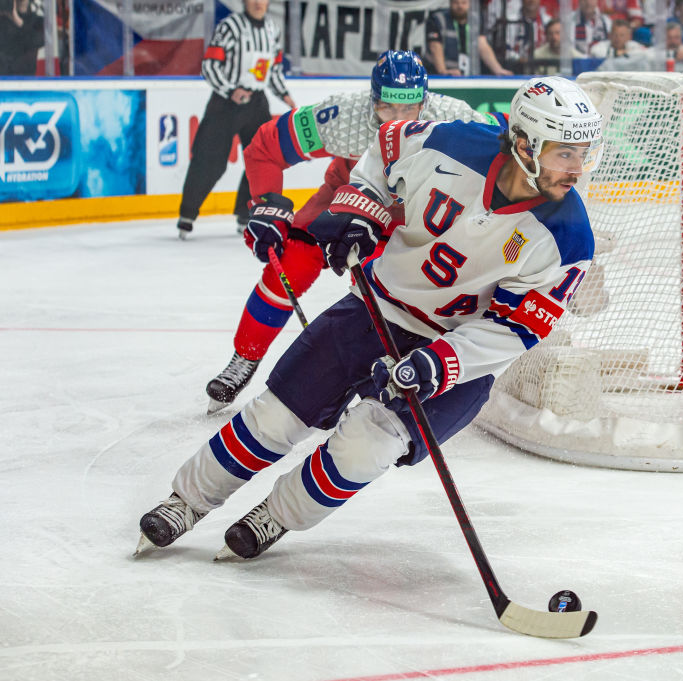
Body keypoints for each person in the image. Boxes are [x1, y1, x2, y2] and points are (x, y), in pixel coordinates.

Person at [136, 76, 602, 560]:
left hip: (455, 354)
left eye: (583, 153)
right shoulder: (451, 142)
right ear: (525, 143)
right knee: (276, 415)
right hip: (376, 307)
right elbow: (383, 151)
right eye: (565, 153)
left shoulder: (569, 239)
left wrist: (434, 364)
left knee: (366, 446)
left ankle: (275, 516)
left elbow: (515, 330)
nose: (577, 168)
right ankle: (185, 501)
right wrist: (361, 209)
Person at [204, 51, 496, 414]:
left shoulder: (454, 119)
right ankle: (244, 357)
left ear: (425, 100)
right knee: (290, 264)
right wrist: (266, 202)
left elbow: (507, 149)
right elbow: (266, 145)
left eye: (410, 109)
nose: (399, 121)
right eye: (388, 109)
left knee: (385, 294)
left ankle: (382, 376)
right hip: (345, 197)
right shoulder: (343, 117)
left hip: (406, 217)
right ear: (373, 101)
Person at [176, 0, 295, 240]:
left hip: (257, 102)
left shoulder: (273, 30)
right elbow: (209, 66)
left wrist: (286, 96)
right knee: (209, 160)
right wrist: (231, 90)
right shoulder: (230, 27)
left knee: (261, 158)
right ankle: (187, 214)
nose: (258, 2)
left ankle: (246, 214)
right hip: (225, 103)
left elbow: (272, 71)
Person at [424, 0, 513, 76]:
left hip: (466, 75)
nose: (460, 6)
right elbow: (435, 47)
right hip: (439, 77)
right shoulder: (437, 19)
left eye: (464, 2)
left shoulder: (475, 20)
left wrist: (498, 70)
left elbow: (482, 45)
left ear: (469, 3)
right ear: (450, 3)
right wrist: (443, 71)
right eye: (456, 2)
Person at [0, 0, 43, 76]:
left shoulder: (37, 21)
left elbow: (37, 41)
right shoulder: (3, 20)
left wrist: (16, 19)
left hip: (26, 79)